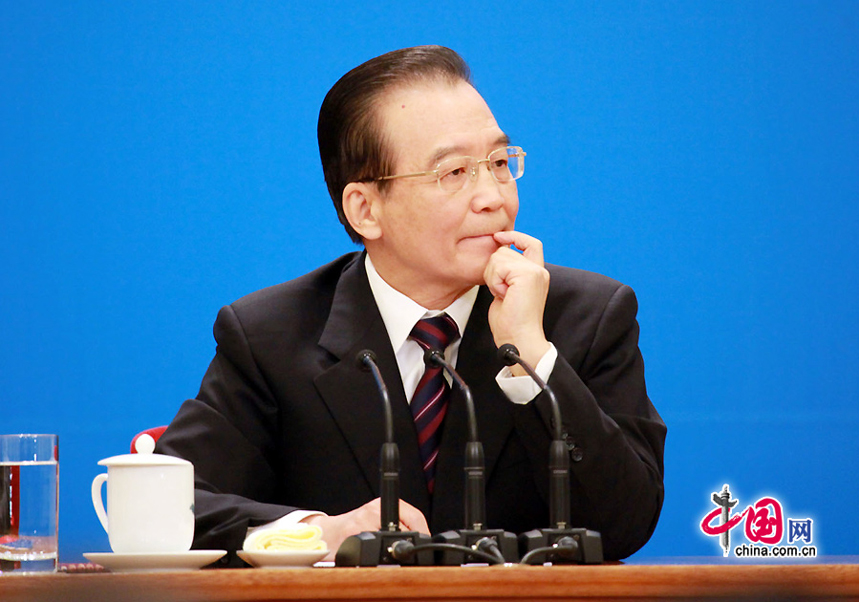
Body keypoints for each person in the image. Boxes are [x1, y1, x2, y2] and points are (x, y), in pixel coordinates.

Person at [156, 45, 666, 565]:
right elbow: (167, 507)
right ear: (365, 209)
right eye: (454, 173)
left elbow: (625, 523)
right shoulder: (271, 337)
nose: (493, 195)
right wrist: (321, 534)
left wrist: (531, 357)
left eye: (498, 163)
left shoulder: (588, 317)